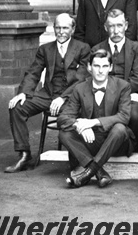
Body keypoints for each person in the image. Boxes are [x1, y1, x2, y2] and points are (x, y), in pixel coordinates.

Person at [5, 13, 91, 173]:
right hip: (48, 94)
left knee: (68, 118)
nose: (61, 32)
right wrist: (23, 93)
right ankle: (24, 155)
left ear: (72, 29)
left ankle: (77, 161)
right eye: (58, 28)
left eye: (65, 28)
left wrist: (63, 97)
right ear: (54, 28)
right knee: (17, 107)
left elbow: (82, 79)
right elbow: (33, 72)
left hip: (71, 97)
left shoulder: (83, 48)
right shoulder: (45, 49)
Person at [58, 49, 134, 188]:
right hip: (91, 141)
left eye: (104, 66)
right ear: (89, 67)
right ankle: (99, 172)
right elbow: (63, 118)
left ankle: (87, 173)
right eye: (96, 66)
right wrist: (79, 125)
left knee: (119, 128)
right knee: (64, 134)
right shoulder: (80, 88)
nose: (100, 71)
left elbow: (124, 116)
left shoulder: (123, 86)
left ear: (110, 67)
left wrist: (92, 122)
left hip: (115, 142)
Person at [91, 9, 138, 149]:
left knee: (135, 117)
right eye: (111, 26)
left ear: (126, 26)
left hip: (128, 94)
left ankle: (132, 147)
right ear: (106, 28)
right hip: (102, 93)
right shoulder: (97, 49)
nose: (116, 31)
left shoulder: (136, 49)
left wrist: (120, 93)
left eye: (119, 25)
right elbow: (94, 76)